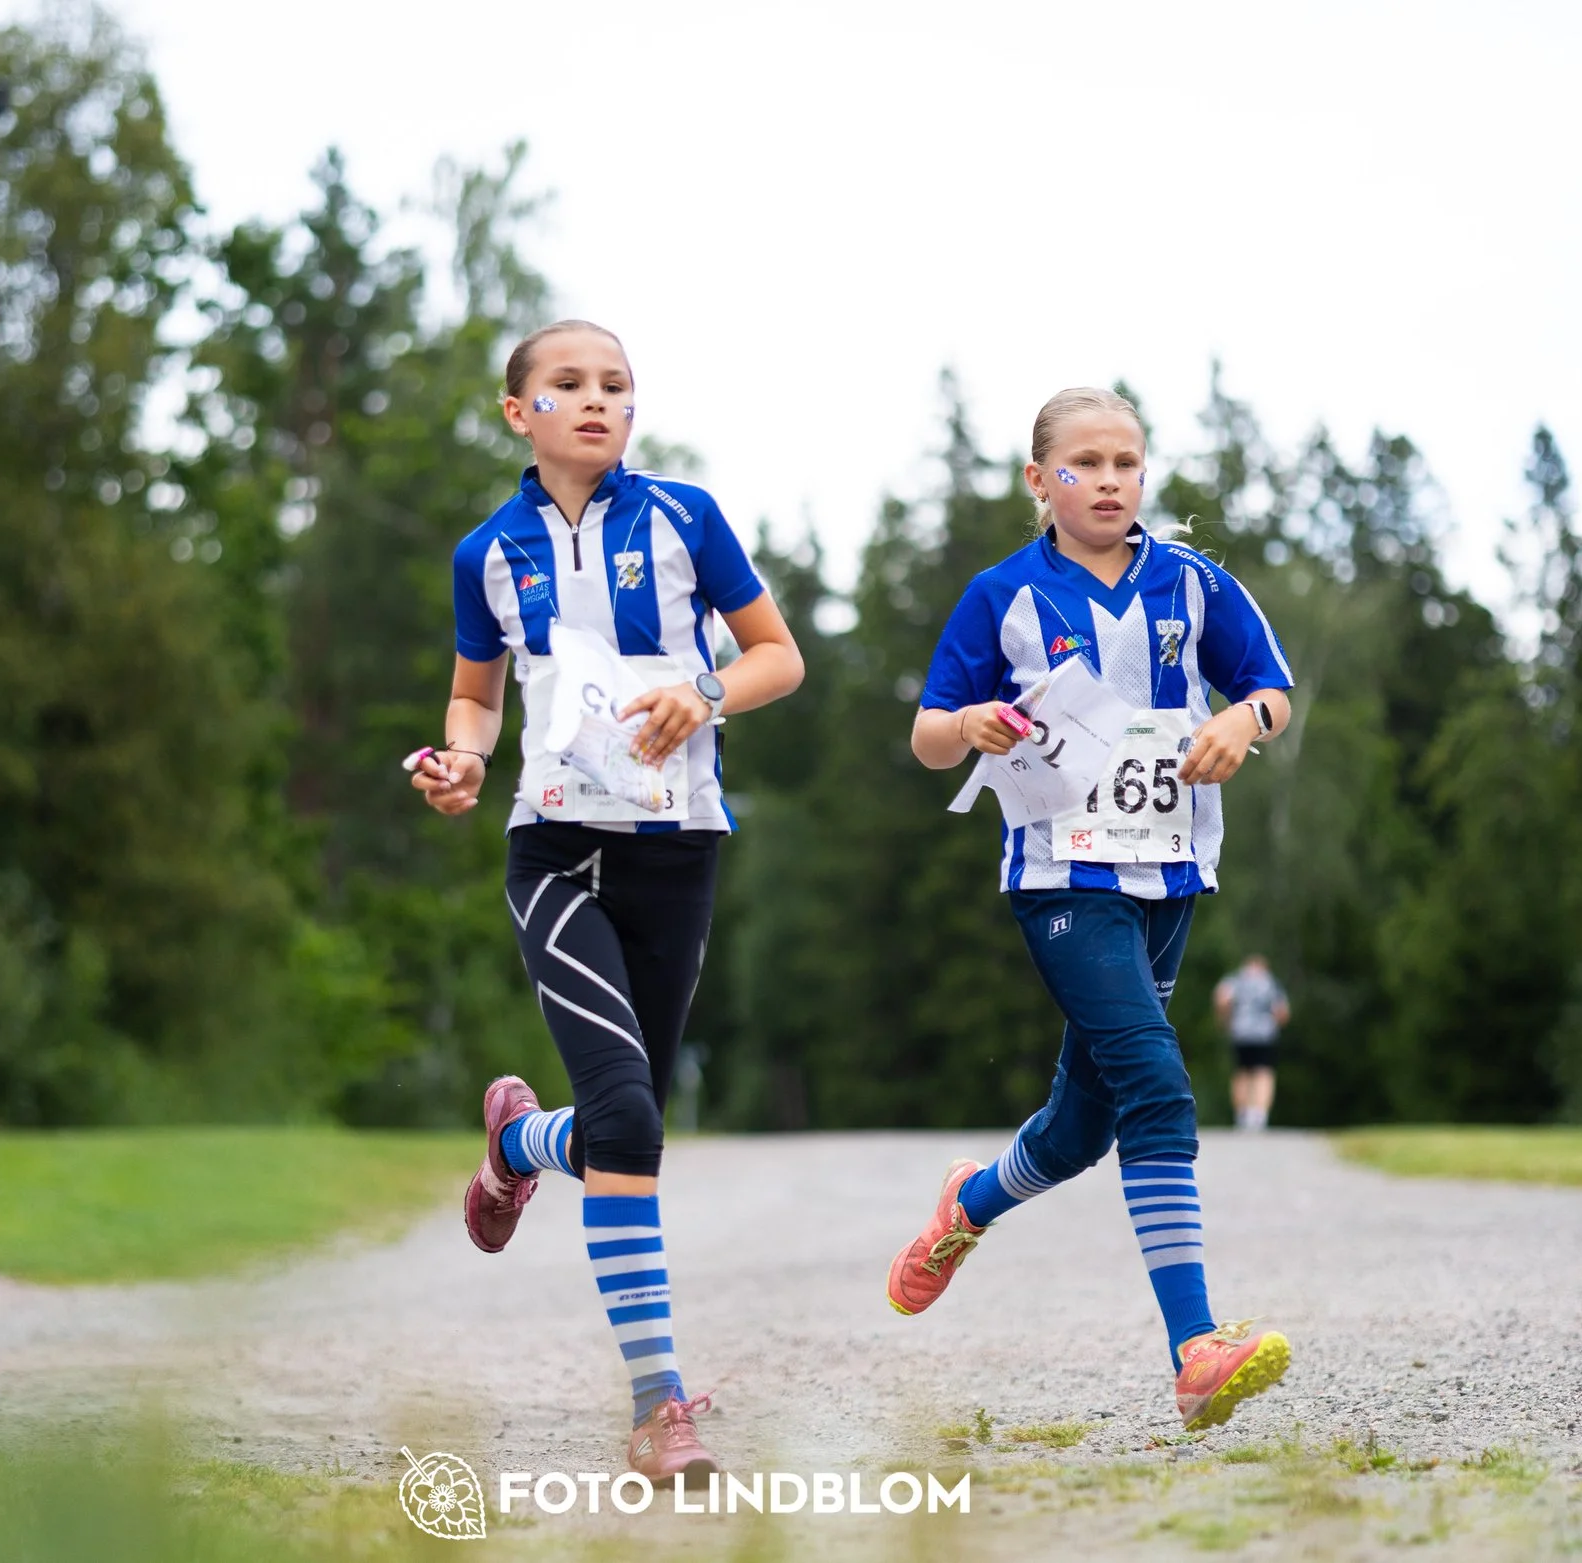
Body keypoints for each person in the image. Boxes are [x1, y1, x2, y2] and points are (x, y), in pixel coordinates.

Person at [410, 319, 804, 1481]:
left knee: (628, 1129)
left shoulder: (686, 518)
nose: (596, 401)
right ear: (515, 410)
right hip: (556, 851)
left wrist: (705, 695)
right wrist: (463, 762)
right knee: (628, 1122)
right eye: (567, 384)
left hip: (676, 851)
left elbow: (777, 655)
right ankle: (659, 1406)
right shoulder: (485, 552)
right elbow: (473, 701)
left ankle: (520, 1143)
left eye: (615, 385)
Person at [881, 386, 1298, 1431]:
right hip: (1062, 883)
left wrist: (1242, 723)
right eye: (1086, 464)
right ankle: (1196, 1350)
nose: (1110, 481)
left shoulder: (1194, 585)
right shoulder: (1001, 597)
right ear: (1039, 482)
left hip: (1171, 880)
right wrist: (971, 719)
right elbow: (929, 732)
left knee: (1079, 1126)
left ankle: (965, 1207)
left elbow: (1271, 689)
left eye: (1127, 462)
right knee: (1157, 1085)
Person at [1215, 954, 1290, 1131]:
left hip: (1240, 1032)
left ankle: (1242, 1114)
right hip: (1265, 1034)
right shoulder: (1270, 982)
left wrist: (1225, 1020)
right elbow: (1283, 1011)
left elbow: (1221, 999)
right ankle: (1259, 1115)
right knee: (1263, 1073)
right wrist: (1275, 1024)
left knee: (1241, 1072)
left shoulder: (1235, 980)